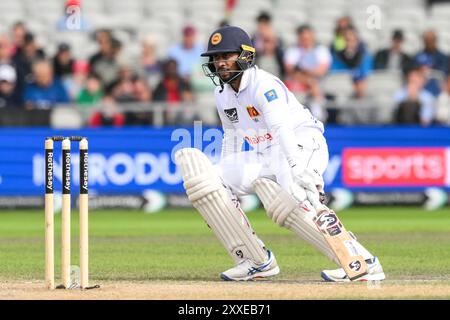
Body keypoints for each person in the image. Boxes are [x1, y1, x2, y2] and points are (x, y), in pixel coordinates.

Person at [176, 25, 385, 282]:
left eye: (225, 55)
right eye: (216, 57)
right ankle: (255, 260)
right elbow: (231, 137)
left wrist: (297, 169)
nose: (220, 63)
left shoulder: (263, 84)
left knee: (297, 196)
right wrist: (228, 189)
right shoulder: (222, 94)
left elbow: (281, 128)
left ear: (245, 55)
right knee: (208, 180)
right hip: (265, 153)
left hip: (300, 144)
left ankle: (364, 262)